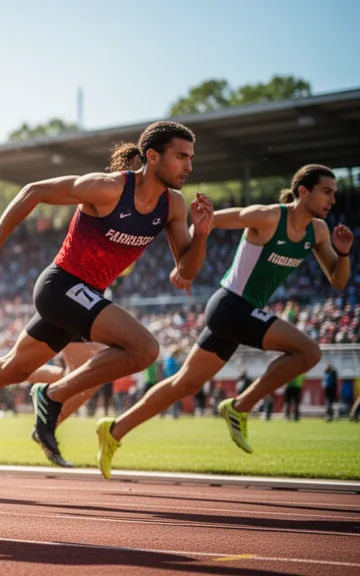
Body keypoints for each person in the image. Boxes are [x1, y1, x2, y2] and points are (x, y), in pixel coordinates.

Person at [0, 121, 213, 465]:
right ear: (153, 157)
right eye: (181, 157)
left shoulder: (173, 206)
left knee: (12, 369)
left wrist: (201, 234)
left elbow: (187, 270)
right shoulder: (108, 189)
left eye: (191, 157)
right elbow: (33, 191)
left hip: (84, 298)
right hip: (62, 287)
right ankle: (53, 396)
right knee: (145, 349)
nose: (189, 166)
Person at [97, 164, 353, 478]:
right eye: (326, 191)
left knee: (183, 384)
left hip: (241, 314)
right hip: (230, 305)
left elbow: (338, 281)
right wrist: (184, 267)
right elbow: (207, 222)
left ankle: (113, 431)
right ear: (303, 191)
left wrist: (343, 255)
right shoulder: (268, 216)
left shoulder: (320, 231)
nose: (332, 199)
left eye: (335, 193)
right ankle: (239, 407)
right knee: (309, 352)